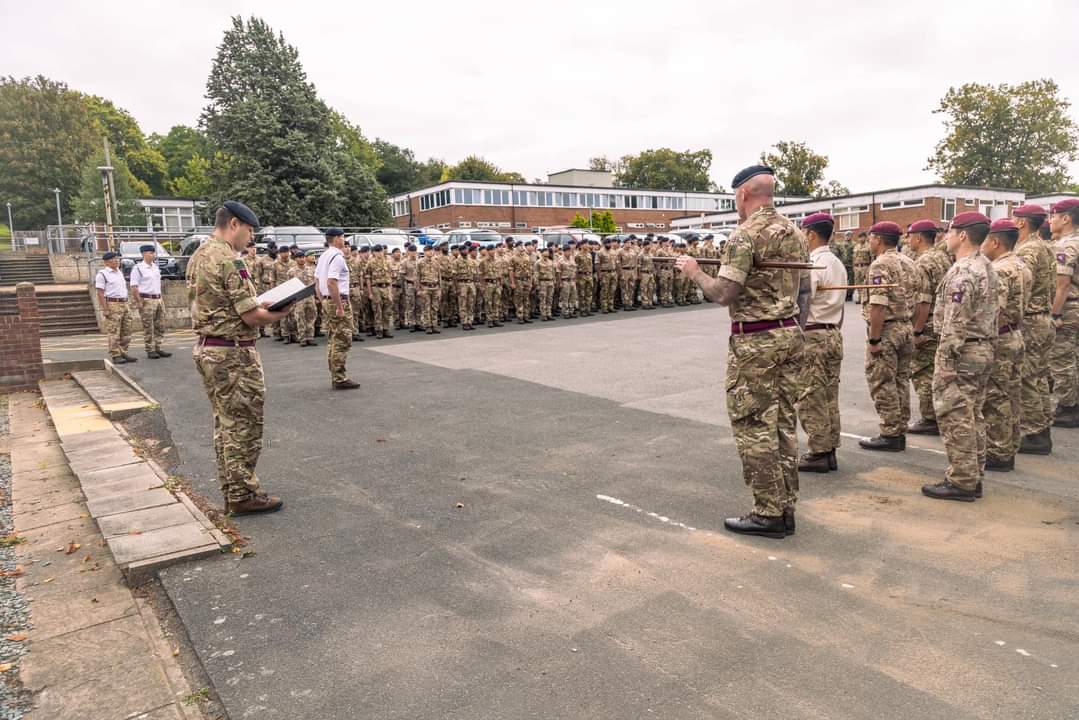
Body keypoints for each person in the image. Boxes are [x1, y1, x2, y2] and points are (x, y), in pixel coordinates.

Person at [676, 164, 809, 539]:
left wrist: (693, 271)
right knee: (783, 422)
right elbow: (804, 292)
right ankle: (785, 508)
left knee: (754, 425)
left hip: (756, 341)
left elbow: (723, 293)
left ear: (743, 194)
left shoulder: (744, 235)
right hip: (789, 333)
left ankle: (768, 511)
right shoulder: (795, 233)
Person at [192, 201, 289, 514]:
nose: (250, 238)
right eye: (248, 231)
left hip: (210, 348)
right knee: (244, 425)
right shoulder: (228, 259)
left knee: (226, 424)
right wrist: (279, 312)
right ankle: (243, 495)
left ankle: (233, 490)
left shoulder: (199, 254)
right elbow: (250, 315)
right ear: (234, 224)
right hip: (232, 353)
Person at [922, 212, 998, 502]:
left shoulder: (964, 271)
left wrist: (945, 362)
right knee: (973, 414)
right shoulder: (986, 265)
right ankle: (973, 475)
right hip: (982, 347)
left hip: (963, 350)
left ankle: (962, 480)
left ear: (963, 234)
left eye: (950, 231)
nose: (946, 236)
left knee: (956, 415)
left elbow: (955, 322)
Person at [859, 221, 918, 452]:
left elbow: (878, 305)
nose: (870, 241)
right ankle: (899, 428)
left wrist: (874, 339)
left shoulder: (880, 265)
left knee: (882, 381)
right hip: (906, 326)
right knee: (901, 380)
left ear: (879, 239)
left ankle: (890, 432)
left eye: (872, 237)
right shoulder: (909, 262)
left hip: (888, 329)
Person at [795, 213, 847, 473]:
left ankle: (819, 452)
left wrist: (795, 333)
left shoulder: (814, 263)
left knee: (811, 396)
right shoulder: (836, 262)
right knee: (828, 395)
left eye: (803, 232)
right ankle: (829, 449)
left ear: (810, 234)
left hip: (814, 335)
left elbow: (803, 302)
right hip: (832, 332)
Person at [982, 218, 1030, 472]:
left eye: (985, 241)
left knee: (996, 397)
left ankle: (998, 452)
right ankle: (1008, 448)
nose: (982, 246)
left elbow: (995, 311)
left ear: (995, 242)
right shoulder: (1021, 265)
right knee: (1011, 395)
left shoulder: (999, 270)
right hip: (1015, 335)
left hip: (1000, 338)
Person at [1013, 205, 1057, 454]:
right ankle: (1040, 429)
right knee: (1038, 377)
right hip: (1042, 318)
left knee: (1027, 378)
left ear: (1021, 223)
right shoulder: (1043, 245)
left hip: (1030, 319)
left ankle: (1033, 433)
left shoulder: (1028, 249)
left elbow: (1022, 284)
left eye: (1014, 218)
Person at [906, 221, 953, 435]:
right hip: (941, 321)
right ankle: (937, 414)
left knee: (923, 373)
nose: (908, 240)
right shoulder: (943, 257)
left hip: (927, 323)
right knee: (935, 371)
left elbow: (923, 301)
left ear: (918, 237)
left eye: (910, 235)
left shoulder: (924, 262)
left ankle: (929, 418)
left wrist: (916, 331)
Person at [315, 228, 360, 389]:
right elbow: (331, 282)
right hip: (338, 300)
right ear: (335, 239)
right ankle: (339, 378)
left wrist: (323, 301)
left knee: (334, 339)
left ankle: (336, 375)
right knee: (342, 339)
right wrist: (339, 306)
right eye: (342, 237)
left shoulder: (324, 255)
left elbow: (317, 282)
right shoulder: (337, 256)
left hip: (329, 300)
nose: (344, 240)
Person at [1048, 198, 1079, 427]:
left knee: (1062, 359)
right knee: (1073, 358)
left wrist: (1055, 314)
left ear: (1066, 218)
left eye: (1054, 216)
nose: (1050, 221)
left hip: (1068, 307)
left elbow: (1063, 284)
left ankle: (1067, 408)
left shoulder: (1066, 246)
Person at [129, 243, 171, 360]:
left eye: (153, 253)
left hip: (158, 298)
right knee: (149, 326)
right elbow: (134, 286)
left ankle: (158, 347)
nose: (153, 255)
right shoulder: (138, 268)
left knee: (160, 325)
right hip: (146, 299)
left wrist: (161, 299)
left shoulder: (155, 267)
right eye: (150, 253)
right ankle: (150, 349)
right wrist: (139, 301)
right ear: (143, 254)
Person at [95, 251, 136, 364]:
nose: (117, 260)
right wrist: (105, 309)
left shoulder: (119, 272)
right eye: (114, 259)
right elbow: (100, 293)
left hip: (124, 303)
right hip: (113, 304)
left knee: (126, 330)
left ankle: (124, 352)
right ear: (107, 262)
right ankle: (115, 354)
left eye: (117, 258)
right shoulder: (102, 274)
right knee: (114, 331)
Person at [288, 250, 318, 347]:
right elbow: (289, 286)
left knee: (311, 316)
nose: (301, 259)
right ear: (295, 259)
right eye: (299, 257)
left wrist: (317, 296)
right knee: (300, 317)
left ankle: (310, 337)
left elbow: (315, 284)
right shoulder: (291, 272)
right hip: (299, 298)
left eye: (302, 257)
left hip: (310, 297)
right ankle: (303, 338)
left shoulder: (311, 270)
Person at [366, 244, 396, 338]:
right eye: (377, 251)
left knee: (387, 310)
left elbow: (391, 277)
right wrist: (370, 292)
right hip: (376, 288)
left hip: (386, 287)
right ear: (374, 252)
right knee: (377, 310)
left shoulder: (388, 262)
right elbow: (368, 278)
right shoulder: (370, 263)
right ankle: (379, 330)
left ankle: (386, 329)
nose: (379, 253)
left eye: (381, 251)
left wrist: (391, 290)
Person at [417, 246, 442, 333]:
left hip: (435, 287)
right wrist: (418, 289)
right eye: (428, 251)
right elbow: (417, 276)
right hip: (425, 287)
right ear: (424, 252)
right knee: (426, 308)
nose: (431, 252)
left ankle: (434, 325)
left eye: (432, 251)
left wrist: (440, 288)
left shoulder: (436, 262)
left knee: (434, 308)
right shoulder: (420, 263)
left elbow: (439, 276)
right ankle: (428, 326)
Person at [509, 242, 534, 324]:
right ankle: (520, 316)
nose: (521, 247)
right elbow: (511, 271)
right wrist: (512, 282)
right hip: (518, 280)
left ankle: (526, 316)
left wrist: (530, 281)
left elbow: (530, 270)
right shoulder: (513, 258)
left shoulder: (527, 257)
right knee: (519, 298)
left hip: (526, 279)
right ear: (516, 248)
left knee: (526, 298)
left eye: (522, 246)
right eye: (519, 246)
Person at [558, 244, 579, 318]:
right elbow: (559, 272)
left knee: (573, 296)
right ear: (564, 251)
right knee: (565, 297)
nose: (569, 252)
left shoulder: (572, 258)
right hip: (565, 281)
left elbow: (575, 269)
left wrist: (575, 279)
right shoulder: (560, 260)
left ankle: (571, 311)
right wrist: (560, 283)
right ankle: (565, 312)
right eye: (567, 251)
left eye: (570, 251)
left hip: (572, 280)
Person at [536, 247, 557, 320]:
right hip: (542, 282)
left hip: (550, 282)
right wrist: (537, 284)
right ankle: (543, 314)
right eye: (545, 251)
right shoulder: (538, 262)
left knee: (550, 298)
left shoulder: (550, 262)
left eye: (547, 251)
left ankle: (549, 313)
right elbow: (536, 274)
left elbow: (553, 272)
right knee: (543, 299)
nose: (547, 252)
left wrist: (554, 281)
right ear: (542, 253)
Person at [575, 239, 594, 316]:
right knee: (581, 294)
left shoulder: (589, 254)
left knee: (589, 293)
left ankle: (588, 309)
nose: (587, 245)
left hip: (589, 275)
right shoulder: (578, 255)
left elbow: (591, 266)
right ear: (581, 245)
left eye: (587, 244)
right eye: (585, 244)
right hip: (581, 276)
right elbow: (575, 267)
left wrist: (591, 275)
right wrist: (576, 278)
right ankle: (582, 310)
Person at [852, 232, 871, 303]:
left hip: (865, 266)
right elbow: (853, 257)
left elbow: (872, 257)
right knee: (857, 283)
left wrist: (870, 267)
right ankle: (859, 298)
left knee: (865, 283)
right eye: (859, 237)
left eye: (862, 237)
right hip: (857, 267)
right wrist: (853, 266)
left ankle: (864, 298)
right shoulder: (856, 246)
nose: (860, 239)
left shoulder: (869, 246)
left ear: (865, 238)